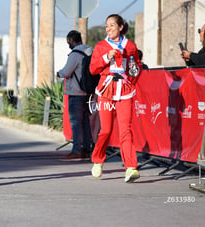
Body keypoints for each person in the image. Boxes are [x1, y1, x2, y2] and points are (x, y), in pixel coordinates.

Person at [89, 14, 142, 183]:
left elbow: (136, 68)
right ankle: (98, 160)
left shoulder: (130, 46)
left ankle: (131, 167)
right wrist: (106, 57)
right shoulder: (101, 46)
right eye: (106, 26)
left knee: (125, 129)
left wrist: (133, 73)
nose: (108, 28)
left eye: (112, 25)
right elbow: (93, 69)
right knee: (106, 130)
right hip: (106, 92)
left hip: (125, 91)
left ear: (120, 27)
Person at [57, 30, 93, 161]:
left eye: (68, 42)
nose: (68, 45)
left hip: (76, 92)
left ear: (72, 40)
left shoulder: (75, 54)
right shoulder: (90, 51)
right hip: (88, 92)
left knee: (76, 123)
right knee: (85, 122)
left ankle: (76, 150)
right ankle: (86, 150)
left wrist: (59, 73)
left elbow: (66, 72)